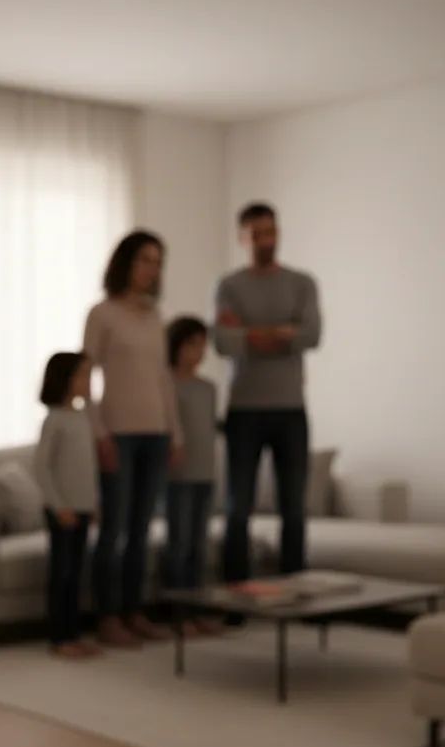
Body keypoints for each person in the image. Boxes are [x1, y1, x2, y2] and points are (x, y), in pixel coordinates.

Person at [84, 231, 184, 648]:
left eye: (158, 261)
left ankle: (133, 611)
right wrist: (99, 433)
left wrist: (175, 433)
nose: (152, 268)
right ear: (126, 262)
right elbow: (84, 377)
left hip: (156, 435)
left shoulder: (155, 317)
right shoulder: (102, 314)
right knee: (115, 530)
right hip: (118, 435)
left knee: (142, 530)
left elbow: (163, 378)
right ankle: (107, 617)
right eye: (145, 259)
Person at [214, 203, 322, 583]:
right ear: (243, 238)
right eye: (258, 234)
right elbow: (225, 343)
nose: (266, 241)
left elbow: (312, 335)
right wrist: (281, 333)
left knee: (294, 507)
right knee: (237, 507)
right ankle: (235, 595)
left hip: (291, 409)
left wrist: (251, 333)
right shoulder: (230, 286)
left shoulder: (302, 283)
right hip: (244, 409)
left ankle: (296, 590)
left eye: (271, 232)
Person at [34, 352, 101, 659]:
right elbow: (43, 467)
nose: (88, 381)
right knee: (62, 573)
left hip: (83, 508)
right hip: (62, 511)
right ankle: (59, 638)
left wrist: (94, 502)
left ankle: (74, 634)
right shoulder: (55, 420)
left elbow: (88, 468)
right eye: (82, 375)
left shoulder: (83, 417)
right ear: (64, 379)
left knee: (77, 573)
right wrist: (59, 505)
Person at [163, 316, 222, 634]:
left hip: (205, 475)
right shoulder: (165, 385)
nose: (199, 352)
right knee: (180, 544)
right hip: (178, 478)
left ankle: (199, 612)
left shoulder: (208, 388)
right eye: (192, 344)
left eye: (203, 345)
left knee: (199, 546)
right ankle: (178, 616)